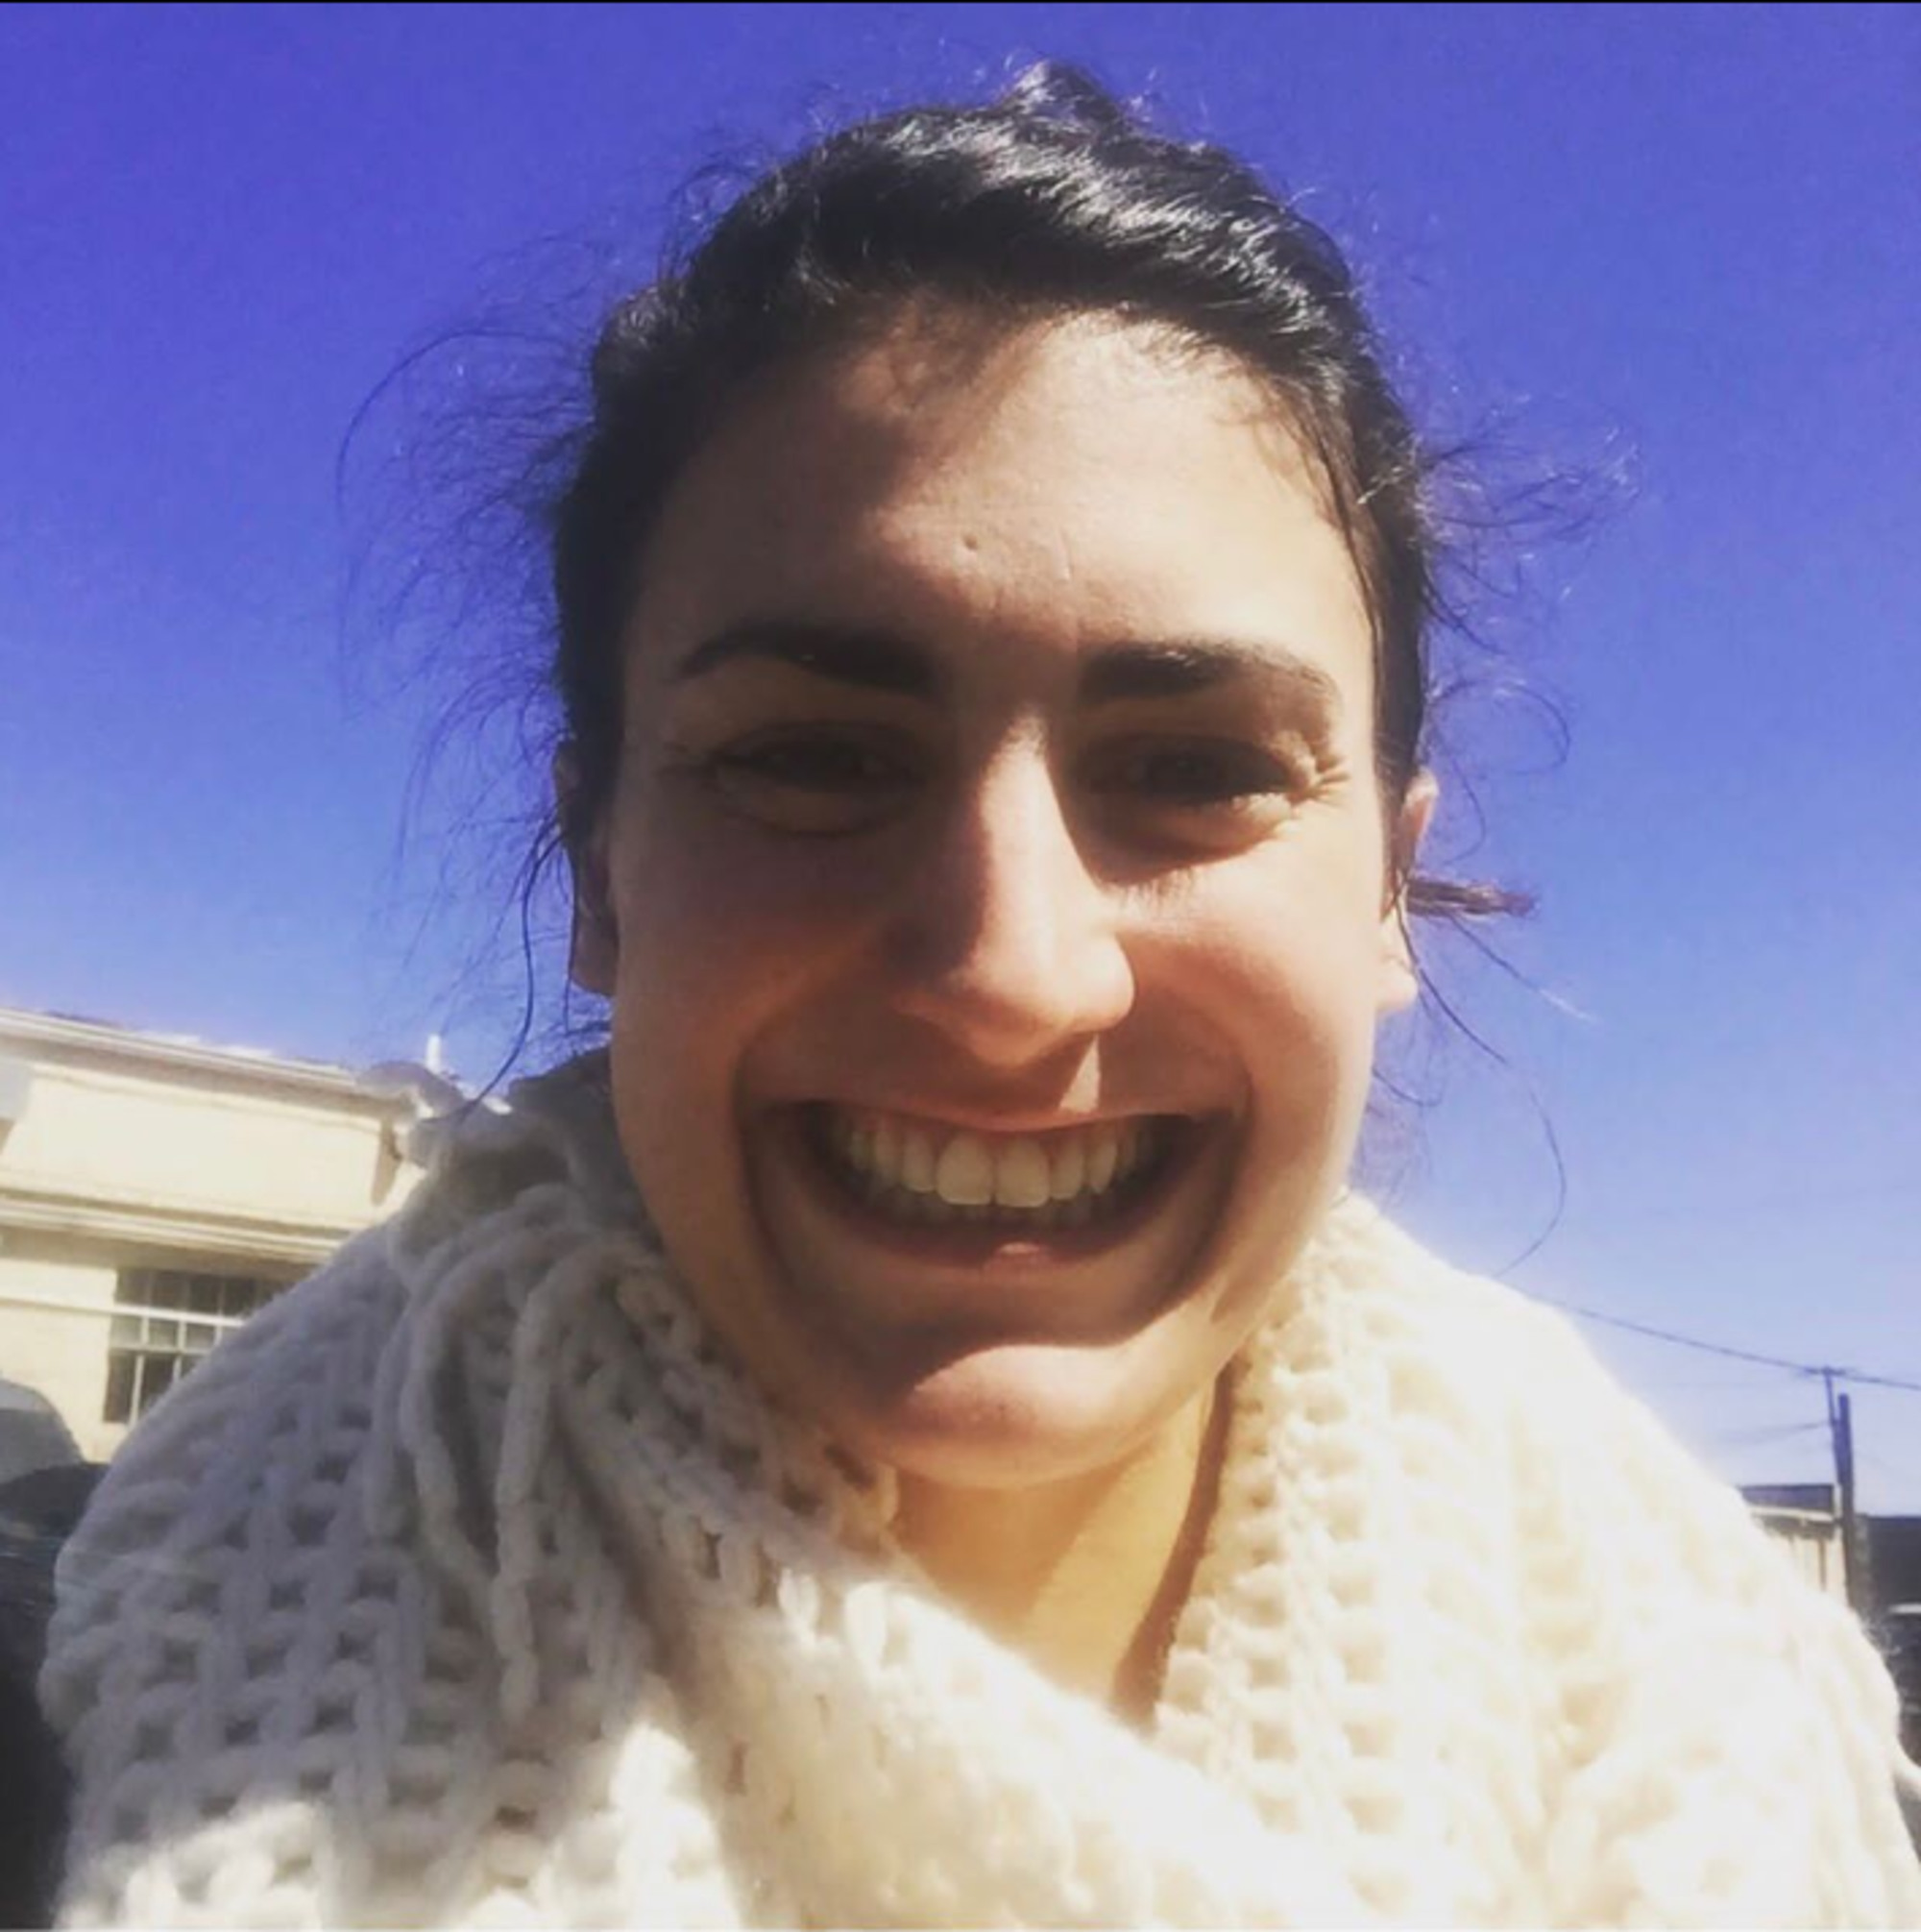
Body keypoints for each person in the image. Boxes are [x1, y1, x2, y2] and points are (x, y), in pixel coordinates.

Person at [28, 66, 1921, 1927]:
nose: (1012, 976)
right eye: (811, 757)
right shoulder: (74, 1706)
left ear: (1386, 892)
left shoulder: (1729, 1735)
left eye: (1198, 768)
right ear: (601, 872)